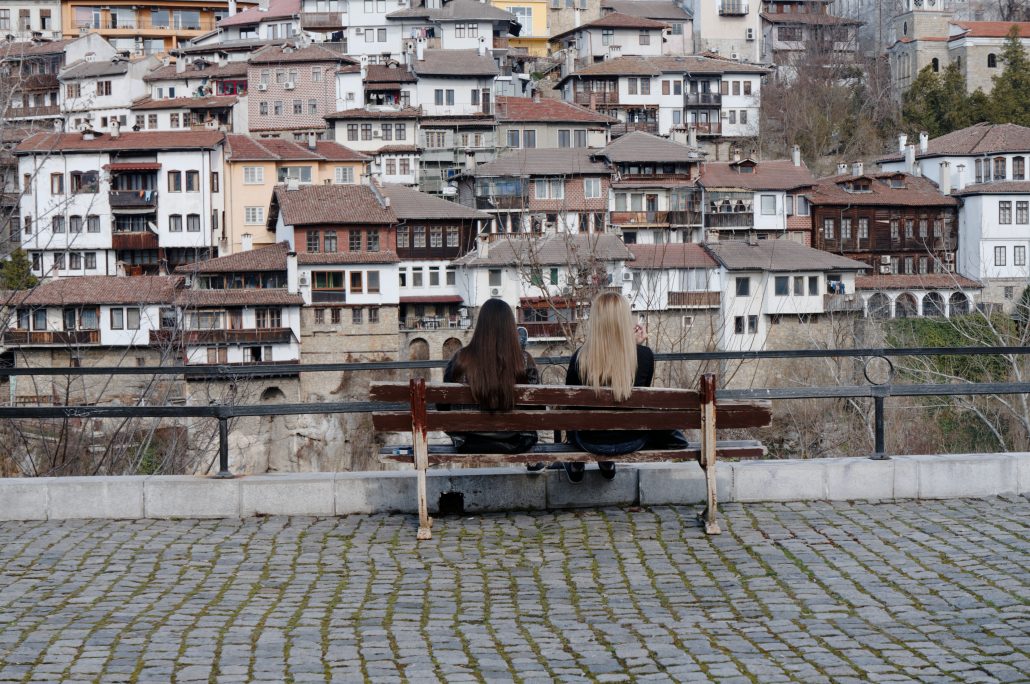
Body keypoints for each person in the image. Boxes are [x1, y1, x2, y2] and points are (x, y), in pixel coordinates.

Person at [564, 292, 686, 482]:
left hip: (589, 441)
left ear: (595, 322)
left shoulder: (579, 359)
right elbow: (637, 396)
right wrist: (634, 346)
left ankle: (582, 464)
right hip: (631, 440)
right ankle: (606, 462)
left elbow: (569, 405)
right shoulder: (645, 357)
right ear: (624, 321)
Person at [441, 298, 540, 456]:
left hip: (468, 440)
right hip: (516, 440)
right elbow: (538, 409)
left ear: (481, 326)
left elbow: (443, 406)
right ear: (510, 327)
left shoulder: (460, 358)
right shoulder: (525, 361)